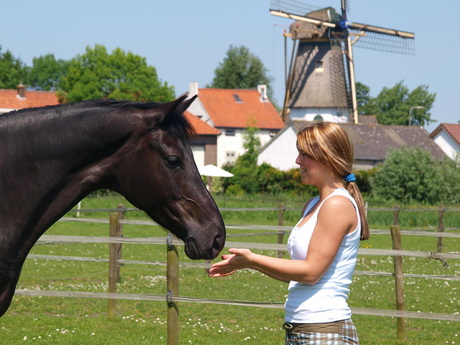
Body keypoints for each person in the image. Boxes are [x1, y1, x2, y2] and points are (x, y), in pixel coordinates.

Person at [208, 122, 369, 344]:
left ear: (327, 157)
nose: (297, 161)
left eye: (305, 154)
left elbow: (311, 272)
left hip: (323, 331)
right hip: (302, 328)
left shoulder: (337, 205)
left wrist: (253, 258)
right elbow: (298, 275)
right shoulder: (313, 204)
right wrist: (248, 263)